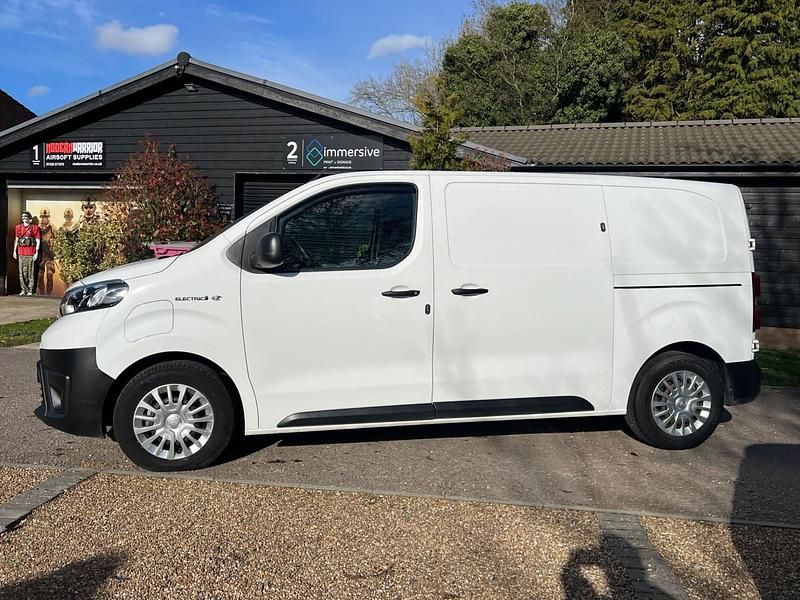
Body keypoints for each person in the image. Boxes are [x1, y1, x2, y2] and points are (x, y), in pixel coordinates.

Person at [13, 211, 41, 296]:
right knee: (22, 272)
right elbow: (16, 239)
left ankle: (30, 290)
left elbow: (37, 240)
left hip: (31, 252)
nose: (24, 218)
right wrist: (14, 251)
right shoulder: (18, 227)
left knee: (30, 272)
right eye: (23, 217)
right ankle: (23, 289)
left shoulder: (34, 228)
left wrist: (36, 252)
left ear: (30, 219)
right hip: (21, 252)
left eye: (26, 217)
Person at [37, 207, 56, 296]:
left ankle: (49, 293)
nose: (44, 218)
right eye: (43, 217)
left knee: (50, 274)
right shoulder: (38, 227)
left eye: (46, 217)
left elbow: (57, 238)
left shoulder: (52, 227)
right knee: (40, 275)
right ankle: (41, 293)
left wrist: (52, 243)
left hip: (49, 254)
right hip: (41, 254)